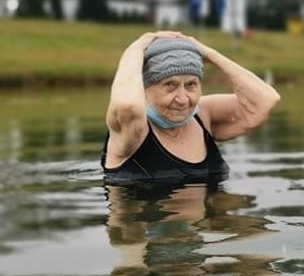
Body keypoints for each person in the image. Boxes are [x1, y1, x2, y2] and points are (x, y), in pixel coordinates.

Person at [102, 31, 280, 184]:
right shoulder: (132, 130)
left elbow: (265, 101)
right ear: (145, 90)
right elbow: (128, 106)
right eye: (170, 85)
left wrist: (208, 54)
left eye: (191, 85)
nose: (182, 99)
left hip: (208, 222)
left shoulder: (203, 115)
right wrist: (137, 48)